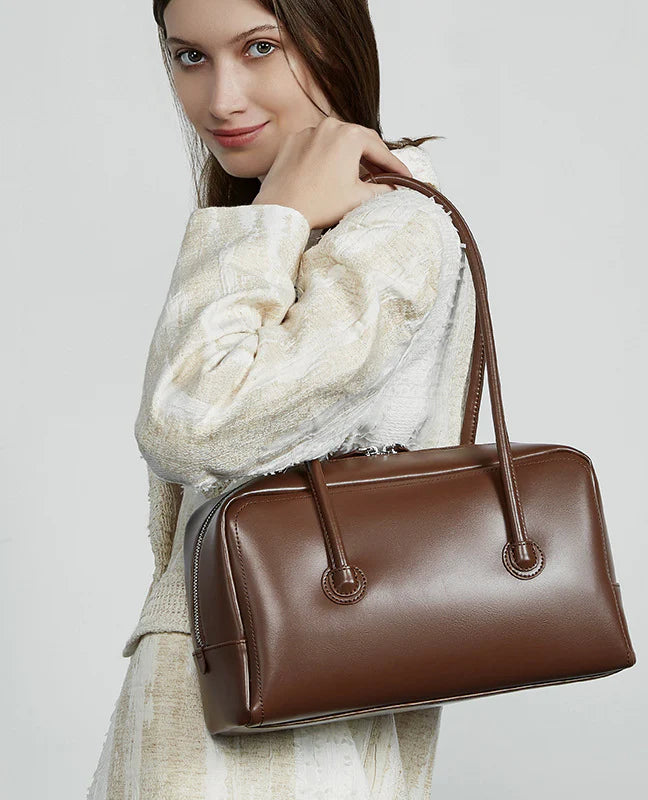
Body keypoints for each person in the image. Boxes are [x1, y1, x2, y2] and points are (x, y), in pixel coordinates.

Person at [86, 0, 476, 797]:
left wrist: (274, 217)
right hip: (242, 714)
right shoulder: (310, 231)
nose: (221, 99)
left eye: (260, 47)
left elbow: (191, 425)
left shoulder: (387, 232)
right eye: (190, 57)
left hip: (267, 740)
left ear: (333, 37)